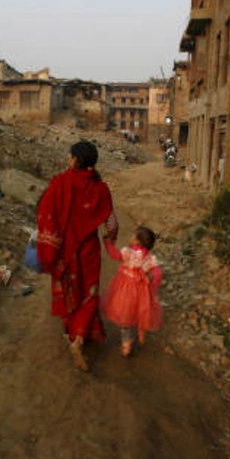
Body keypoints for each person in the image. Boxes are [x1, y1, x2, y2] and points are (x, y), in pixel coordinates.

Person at [36, 141, 118, 372]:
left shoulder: (60, 183)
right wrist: (109, 239)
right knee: (89, 293)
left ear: (75, 159)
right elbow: (111, 222)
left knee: (69, 288)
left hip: (65, 251)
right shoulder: (100, 188)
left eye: (70, 156)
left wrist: (46, 243)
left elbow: (45, 212)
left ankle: (70, 332)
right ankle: (80, 338)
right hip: (89, 249)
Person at [101, 226, 163, 357]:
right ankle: (141, 330)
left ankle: (126, 344)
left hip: (126, 291)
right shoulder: (148, 257)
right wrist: (153, 286)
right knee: (140, 312)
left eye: (133, 236)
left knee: (126, 318)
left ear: (137, 241)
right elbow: (157, 273)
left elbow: (114, 254)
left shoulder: (129, 253)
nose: (130, 238)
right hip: (141, 291)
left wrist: (108, 243)